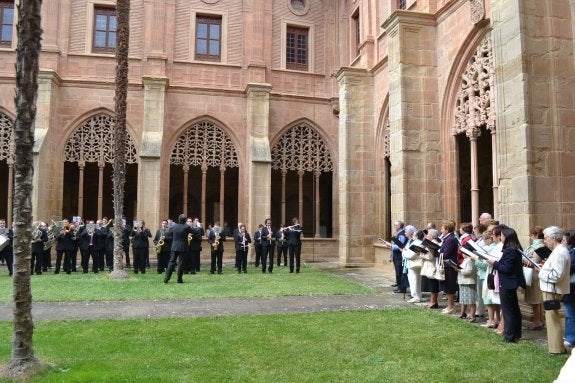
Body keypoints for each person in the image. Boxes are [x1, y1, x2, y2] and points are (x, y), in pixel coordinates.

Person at [486, 226, 526, 343]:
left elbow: (507, 268)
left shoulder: (510, 250)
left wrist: (494, 263)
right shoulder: (515, 248)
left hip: (508, 282)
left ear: (507, 237)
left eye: (502, 236)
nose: (501, 238)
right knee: (513, 310)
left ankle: (509, 336)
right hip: (510, 282)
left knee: (508, 311)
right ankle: (515, 334)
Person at [539, 226, 571, 354]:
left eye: (546, 238)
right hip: (550, 289)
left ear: (553, 238)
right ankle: (556, 347)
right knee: (552, 319)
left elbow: (556, 275)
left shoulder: (560, 252)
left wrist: (541, 272)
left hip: (551, 290)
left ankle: (556, 349)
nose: (545, 241)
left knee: (553, 320)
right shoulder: (558, 250)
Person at [523, 226, 545, 330]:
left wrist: (523, 259)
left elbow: (534, 261)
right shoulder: (535, 246)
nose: (530, 237)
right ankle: (539, 320)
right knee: (536, 300)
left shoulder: (539, 246)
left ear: (535, 235)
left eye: (531, 235)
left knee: (535, 300)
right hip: (531, 274)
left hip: (534, 275)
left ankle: (537, 321)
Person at [164, 214, 193, 283]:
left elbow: (167, 234)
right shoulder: (187, 227)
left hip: (174, 246)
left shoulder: (174, 226)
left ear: (178, 219)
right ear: (185, 220)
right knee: (181, 263)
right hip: (183, 247)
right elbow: (196, 232)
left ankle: (166, 278)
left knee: (171, 262)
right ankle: (179, 279)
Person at [439, 220, 459, 314]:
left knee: (449, 287)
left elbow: (446, 254)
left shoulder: (451, 239)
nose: (441, 230)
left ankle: (451, 307)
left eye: (442, 228)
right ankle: (449, 306)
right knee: (446, 287)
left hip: (450, 266)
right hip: (446, 265)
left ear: (447, 229)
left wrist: (437, 252)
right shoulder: (447, 238)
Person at [421, 228, 441, 309]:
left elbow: (430, 256)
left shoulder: (433, 243)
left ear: (432, 236)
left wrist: (421, 254)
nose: (427, 236)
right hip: (428, 265)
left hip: (432, 266)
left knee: (433, 285)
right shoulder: (431, 242)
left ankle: (434, 302)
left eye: (428, 235)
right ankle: (433, 301)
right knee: (431, 284)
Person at [562, 230, 575, 353]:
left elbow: (569, 269)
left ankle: (570, 338)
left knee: (570, 313)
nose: (562, 242)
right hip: (570, 287)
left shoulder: (572, 253)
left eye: (564, 240)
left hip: (572, 287)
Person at [391, 221, 408, 292]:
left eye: (395, 225)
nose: (394, 226)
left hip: (399, 256)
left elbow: (400, 246)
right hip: (396, 256)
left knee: (400, 272)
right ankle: (399, 286)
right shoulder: (397, 234)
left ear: (399, 226)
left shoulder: (401, 234)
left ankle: (401, 288)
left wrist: (390, 245)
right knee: (397, 272)